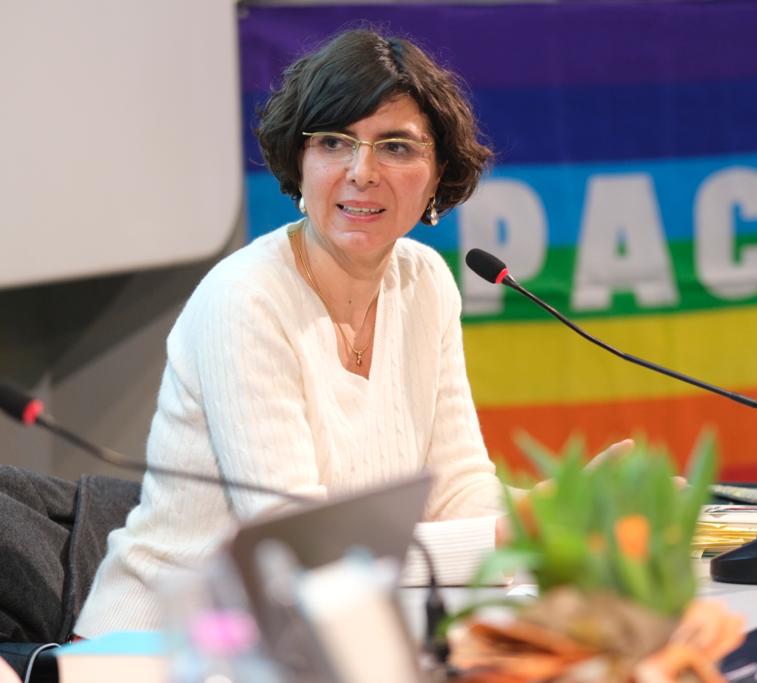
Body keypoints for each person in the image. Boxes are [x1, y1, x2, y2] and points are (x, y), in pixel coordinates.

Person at [75, 28, 523, 637]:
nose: (362, 172)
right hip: (168, 647)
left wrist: (556, 519)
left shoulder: (426, 282)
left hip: (320, 637)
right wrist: (510, 537)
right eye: (334, 142)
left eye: (395, 147)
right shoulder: (247, 298)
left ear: (438, 171)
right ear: (300, 160)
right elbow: (299, 554)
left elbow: (456, 488)